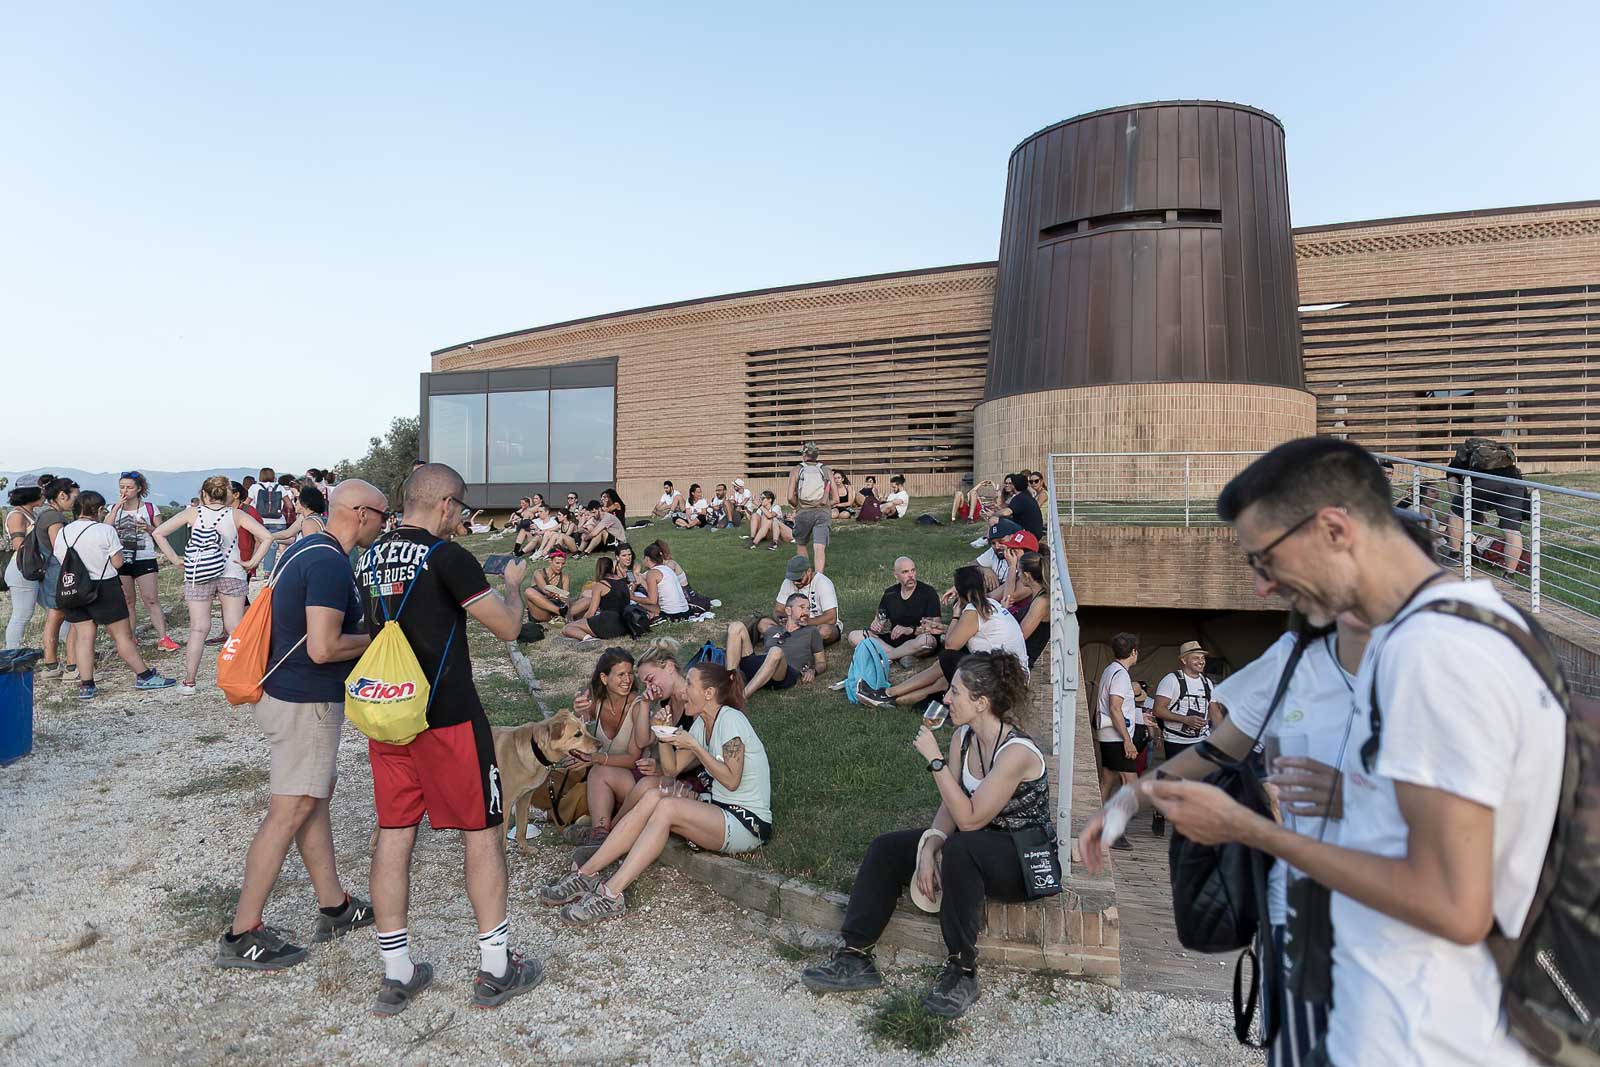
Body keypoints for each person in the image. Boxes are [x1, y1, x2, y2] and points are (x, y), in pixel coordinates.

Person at [1123, 437, 1562, 1067]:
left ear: (1333, 529)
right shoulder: (1481, 624)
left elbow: (1453, 904)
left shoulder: (1431, 652)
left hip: (1417, 1039)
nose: (1262, 587)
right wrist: (1357, 792)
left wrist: (1246, 828)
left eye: (1266, 559)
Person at [359, 463, 544, 1014]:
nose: (461, 519)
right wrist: (513, 588)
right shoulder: (447, 557)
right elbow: (507, 627)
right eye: (461, 509)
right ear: (445, 504)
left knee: (395, 836)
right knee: (482, 835)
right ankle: (496, 967)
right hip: (449, 720)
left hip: (390, 714)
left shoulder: (368, 557)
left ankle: (397, 973)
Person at [803, 651, 1044, 1019]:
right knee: (887, 849)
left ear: (981, 703)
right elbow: (951, 805)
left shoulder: (1016, 753)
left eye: (955, 692)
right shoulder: (963, 738)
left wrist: (935, 762)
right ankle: (855, 956)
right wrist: (929, 845)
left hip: (1022, 858)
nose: (946, 698)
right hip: (974, 845)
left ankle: (962, 971)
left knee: (962, 847)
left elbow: (970, 820)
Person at [215, 480, 388, 971]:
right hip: (305, 703)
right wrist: (381, 636)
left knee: (312, 799)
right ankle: (243, 932)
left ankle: (335, 906)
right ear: (360, 513)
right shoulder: (330, 563)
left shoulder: (305, 548)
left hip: (286, 694)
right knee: (288, 811)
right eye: (382, 515)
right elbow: (323, 647)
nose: (384, 524)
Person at [536, 662, 772, 924]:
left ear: (708, 693)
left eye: (690, 684)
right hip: (719, 810)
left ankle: (611, 894)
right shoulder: (701, 724)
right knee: (654, 795)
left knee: (667, 807)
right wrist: (663, 736)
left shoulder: (730, 720)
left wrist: (695, 746)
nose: (683, 691)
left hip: (747, 822)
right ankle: (586, 874)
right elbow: (671, 769)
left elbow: (731, 780)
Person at [52, 491, 178, 701]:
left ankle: (86, 685)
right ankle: (144, 676)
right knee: (121, 636)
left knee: (84, 637)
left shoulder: (63, 532)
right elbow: (118, 562)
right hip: (105, 586)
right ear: (99, 510)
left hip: (74, 588)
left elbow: (60, 557)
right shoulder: (105, 530)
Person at [152, 476, 272, 695]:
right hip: (232, 572)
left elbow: (158, 532)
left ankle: (189, 682)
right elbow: (266, 537)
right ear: (228, 495)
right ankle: (241, 677)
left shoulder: (192, 513)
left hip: (199, 574)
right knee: (235, 627)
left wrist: (176, 559)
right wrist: (252, 562)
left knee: (198, 628)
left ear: (204, 494)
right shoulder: (236, 514)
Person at [856, 565, 1027, 708]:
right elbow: (973, 631)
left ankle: (886, 694)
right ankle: (892, 699)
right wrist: (943, 628)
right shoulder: (991, 604)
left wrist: (955, 615)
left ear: (960, 590)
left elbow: (950, 645)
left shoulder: (972, 611)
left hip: (1000, 682)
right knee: (942, 679)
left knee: (947, 659)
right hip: (1013, 680)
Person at [568, 649, 653, 858]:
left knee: (597, 773)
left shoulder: (637, 706)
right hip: (608, 777)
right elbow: (581, 711)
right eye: (621, 675)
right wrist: (579, 711)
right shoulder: (596, 701)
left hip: (635, 778)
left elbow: (633, 759)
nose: (627, 680)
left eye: (630, 674)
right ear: (604, 678)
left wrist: (596, 759)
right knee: (570, 767)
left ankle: (600, 833)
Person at [1148, 640, 1221, 835]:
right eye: (1196, 657)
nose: (1201, 661)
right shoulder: (1171, 681)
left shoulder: (1207, 683)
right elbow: (1158, 710)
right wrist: (1185, 719)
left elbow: (1213, 709)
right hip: (1176, 739)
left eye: (1203, 658)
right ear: (1183, 660)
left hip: (1200, 739)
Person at [108, 472, 177, 651]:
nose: (125, 491)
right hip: (122, 559)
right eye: (122, 487)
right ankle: (130, 638)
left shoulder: (150, 508)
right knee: (128, 600)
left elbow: (162, 532)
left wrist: (148, 528)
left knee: (151, 599)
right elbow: (105, 529)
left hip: (144, 557)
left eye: (129, 487)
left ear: (139, 489)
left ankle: (163, 638)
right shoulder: (113, 508)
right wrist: (115, 509)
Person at [1090, 632, 1140, 851]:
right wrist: (1128, 740)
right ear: (1134, 652)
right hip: (1118, 737)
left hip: (1108, 736)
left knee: (1107, 781)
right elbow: (1115, 707)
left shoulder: (1110, 669)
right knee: (1131, 785)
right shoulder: (1121, 675)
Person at [848, 556, 943, 665]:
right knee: (854, 636)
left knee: (927, 641)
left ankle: (887, 657)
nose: (911, 575)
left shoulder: (928, 592)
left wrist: (909, 630)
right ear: (896, 575)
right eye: (905, 572)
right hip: (895, 640)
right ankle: (901, 656)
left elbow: (935, 627)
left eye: (913, 570)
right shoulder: (890, 593)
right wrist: (877, 624)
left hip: (918, 638)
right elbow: (881, 617)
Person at [727, 593, 824, 698]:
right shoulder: (772, 630)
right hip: (763, 665)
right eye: (802, 607)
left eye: (808, 609)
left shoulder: (811, 631)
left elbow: (821, 662)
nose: (806, 612)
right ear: (788, 611)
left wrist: (813, 670)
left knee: (775, 651)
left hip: (783, 673)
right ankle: (729, 684)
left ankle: (741, 697)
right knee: (736, 626)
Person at [1445, 460, 1529, 574]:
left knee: (1456, 512)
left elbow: (1453, 476)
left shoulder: (1465, 454)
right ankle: (1510, 574)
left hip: (1484, 481)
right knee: (1512, 531)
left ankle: (1454, 555)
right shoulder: (1504, 453)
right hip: (1513, 483)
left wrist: (1462, 506)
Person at [33, 477, 80, 676]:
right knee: (70, 618)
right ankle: (72, 664)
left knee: (55, 617)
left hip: (51, 573)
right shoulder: (54, 518)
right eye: (75, 497)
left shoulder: (44, 514)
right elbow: (60, 549)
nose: (76, 502)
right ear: (62, 495)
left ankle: (51, 664)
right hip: (59, 573)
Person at [4, 479, 56, 650]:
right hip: (23, 569)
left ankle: (75, 647)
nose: (44, 496)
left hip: (35, 569)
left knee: (54, 609)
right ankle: (12, 653)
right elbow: (19, 545)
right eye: (41, 492)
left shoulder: (30, 513)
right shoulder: (17, 515)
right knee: (22, 614)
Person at [769, 554, 841, 645]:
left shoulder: (823, 583)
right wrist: (784, 619)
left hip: (817, 625)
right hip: (794, 625)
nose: (795, 582)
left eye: (799, 579)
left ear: (809, 571)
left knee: (824, 631)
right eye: (793, 579)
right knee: (765, 624)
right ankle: (799, 640)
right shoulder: (788, 582)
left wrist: (806, 622)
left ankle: (794, 641)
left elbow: (831, 617)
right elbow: (778, 610)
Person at [788, 442, 837, 573]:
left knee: (801, 544)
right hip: (823, 513)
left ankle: (806, 574)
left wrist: (799, 506)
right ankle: (819, 577)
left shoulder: (796, 470)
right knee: (819, 547)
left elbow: (790, 497)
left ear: (804, 455)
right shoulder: (826, 470)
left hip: (803, 512)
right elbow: (836, 498)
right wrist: (824, 504)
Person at [562, 556, 633, 641]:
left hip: (608, 623)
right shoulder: (623, 582)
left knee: (567, 628)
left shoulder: (600, 585)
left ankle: (589, 639)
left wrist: (580, 622)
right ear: (612, 568)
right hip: (625, 624)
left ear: (598, 569)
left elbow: (591, 612)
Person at [1000, 550, 1050, 669]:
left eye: (1019, 572)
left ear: (1027, 576)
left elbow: (1020, 636)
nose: (1018, 576)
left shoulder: (1041, 602)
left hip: (1018, 663)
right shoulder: (1037, 596)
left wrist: (1004, 613)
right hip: (1013, 657)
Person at [633, 541, 693, 623]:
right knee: (641, 602)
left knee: (637, 603)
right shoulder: (667, 569)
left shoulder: (652, 573)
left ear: (647, 558)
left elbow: (652, 600)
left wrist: (632, 597)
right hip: (686, 612)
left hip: (672, 615)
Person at [251, 467, 290, 575]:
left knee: (257, 544)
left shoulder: (254, 487)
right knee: (272, 545)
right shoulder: (280, 487)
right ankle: (268, 572)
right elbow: (289, 505)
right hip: (278, 521)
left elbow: (246, 504)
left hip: (260, 521)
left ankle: (253, 570)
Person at [521, 549, 570, 623]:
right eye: (557, 563)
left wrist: (565, 602)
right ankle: (559, 611)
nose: (560, 566)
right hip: (540, 611)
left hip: (557, 607)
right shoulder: (539, 573)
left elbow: (565, 597)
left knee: (585, 600)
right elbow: (545, 589)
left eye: (563, 563)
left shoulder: (564, 578)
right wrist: (557, 594)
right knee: (528, 591)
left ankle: (561, 613)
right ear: (550, 561)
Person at [998, 472, 1045, 540]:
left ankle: (994, 542)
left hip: (1029, 534)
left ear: (1014, 485)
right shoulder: (1026, 495)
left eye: (1011, 483)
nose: (1008, 485)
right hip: (1035, 532)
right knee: (1002, 519)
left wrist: (993, 514)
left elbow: (1005, 513)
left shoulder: (1020, 498)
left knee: (995, 520)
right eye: (1031, 482)